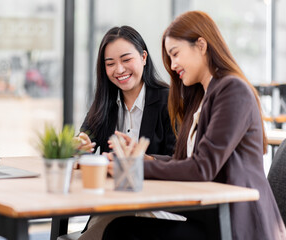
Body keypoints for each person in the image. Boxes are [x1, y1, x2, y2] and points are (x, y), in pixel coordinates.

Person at [102, 11, 286, 240]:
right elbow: (188, 161)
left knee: (122, 232)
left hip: (237, 225)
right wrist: (146, 159)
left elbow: (203, 167)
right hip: (210, 218)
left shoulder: (233, 90)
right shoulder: (202, 97)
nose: (172, 64)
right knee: (120, 228)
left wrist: (132, 169)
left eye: (175, 54)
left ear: (201, 45)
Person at [76, 25, 176, 240]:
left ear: (143, 57)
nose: (119, 69)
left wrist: (139, 161)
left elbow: (178, 160)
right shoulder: (104, 105)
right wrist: (79, 145)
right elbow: (84, 141)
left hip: (157, 206)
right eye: (110, 63)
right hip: (113, 205)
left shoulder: (169, 101)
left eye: (126, 59)